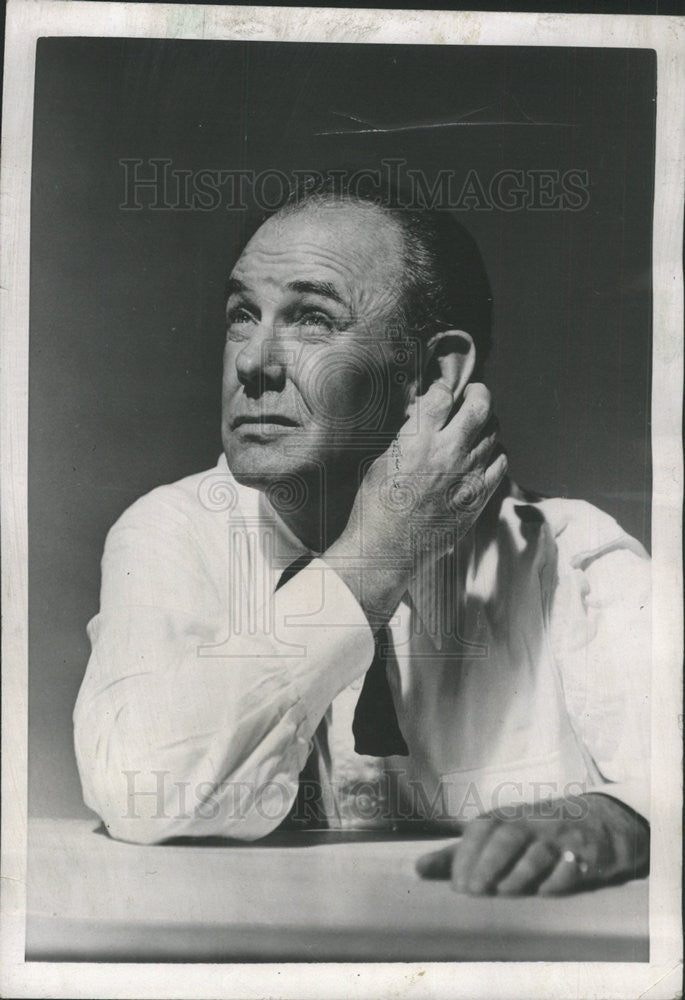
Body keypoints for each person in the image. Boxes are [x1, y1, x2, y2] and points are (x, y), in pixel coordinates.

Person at [74, 175, 650, 897]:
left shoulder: (572, 560)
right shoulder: (171, 533)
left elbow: (670, 786)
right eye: (241, 314)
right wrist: (376, 558)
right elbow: (142, 789)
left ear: (431, 372)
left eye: (311, 318)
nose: (253, 362)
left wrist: (624, 816)